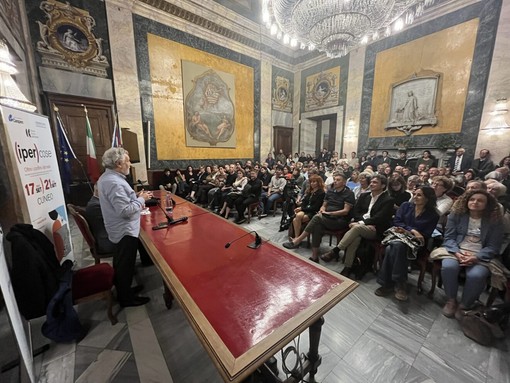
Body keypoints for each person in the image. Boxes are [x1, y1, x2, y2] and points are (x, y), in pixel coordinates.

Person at [97, 147, 153, 307]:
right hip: (124, 230)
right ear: (119, 163)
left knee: (123, 263)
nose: (130, 163)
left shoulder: (108, 178)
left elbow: (121, 202)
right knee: (125, 265)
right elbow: (124, 211)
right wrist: (141, 199)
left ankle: (125, 290)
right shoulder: (114, 182)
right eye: (127, 161)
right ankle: (125, 298)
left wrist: (134, 197)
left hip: (119, 229)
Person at [440, 190, 503, 319]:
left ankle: (464, 305)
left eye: (480, 201)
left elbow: (494, 246)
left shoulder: (494, 220)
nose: (475, 202)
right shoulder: (456, 214)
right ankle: (451, 300)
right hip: (456, 249)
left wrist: (476, 257)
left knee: (477, 275)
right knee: (449, 267)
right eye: (472, 199)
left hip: (481, 254)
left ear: (487, 204)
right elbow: (449, 237)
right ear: (466, 201)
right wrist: (457, 253)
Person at [320, 174, 395, 278]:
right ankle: (347, 268)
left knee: (357, 228)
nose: (372, 184)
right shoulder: (365, 196)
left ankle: (336, 250)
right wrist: (360, 221)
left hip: (375, 229)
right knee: (355, 238)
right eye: (371, 182)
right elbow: (356, 212)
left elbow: (380, 218)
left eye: (375, 182)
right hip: (361, 226)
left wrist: (361, 223)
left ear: (383, 186)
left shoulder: (388, 200)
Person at [375, 186, 439, 301]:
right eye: (414, 194)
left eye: (419, 195)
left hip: (416, 243)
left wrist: (409, 232)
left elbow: (426, 234)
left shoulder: (433, 214)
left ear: (428, 198)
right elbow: (397, 221)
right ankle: (400, 283)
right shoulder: (406, 206)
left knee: (392, 248)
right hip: (398, 236)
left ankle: (387, 283)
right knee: (397, 245)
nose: (415, 197)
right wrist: (412, 230)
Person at [282, 172, 355, 263]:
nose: (335, 182)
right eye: (335, 180)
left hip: (339, 220)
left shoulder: (349, 193)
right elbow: (324, 205)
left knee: (317, 218)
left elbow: (345, 211)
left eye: (338, 180)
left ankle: (297, 240)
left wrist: (329, 213)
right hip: (326, 217)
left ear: (344, 182)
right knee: (317, 225)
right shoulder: (331, 191)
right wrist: (322, 209)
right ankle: (314, 256)